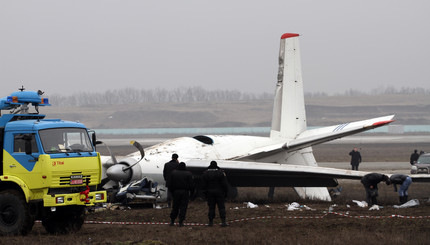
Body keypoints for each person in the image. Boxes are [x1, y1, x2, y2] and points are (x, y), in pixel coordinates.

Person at [202, 161, 229, 227]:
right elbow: (225, 184)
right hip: (219, 192)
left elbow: (203, 185)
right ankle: (223, 221)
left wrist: (205, 193)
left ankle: (211, 222)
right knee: (221, 207)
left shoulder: (205, 173)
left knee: (211, 207)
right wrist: (226, 192)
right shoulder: (221, 173)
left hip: (210, 193)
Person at [168, 162, 194, 227]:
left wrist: (172, 192)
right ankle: (181, 221)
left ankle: (172, 220)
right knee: (183, 207)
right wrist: (192, 194)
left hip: (176, 192)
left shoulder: (173, 173)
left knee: (175, 206)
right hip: (185, 192)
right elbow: (191, 185)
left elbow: (170, 184)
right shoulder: (188, 174)